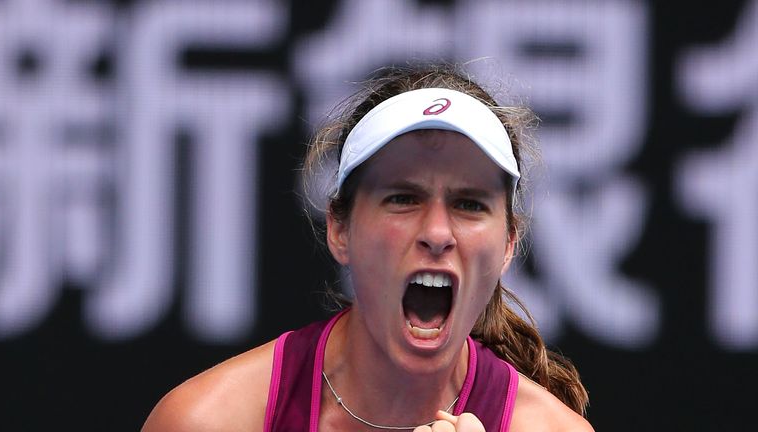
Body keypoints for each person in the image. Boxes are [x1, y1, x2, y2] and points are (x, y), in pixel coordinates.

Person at [142, 64, 594, 432]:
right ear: (340, 228)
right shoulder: (207, 421)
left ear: (509, 244)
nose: (438, 233)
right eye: (403, 198)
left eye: (469, 204)